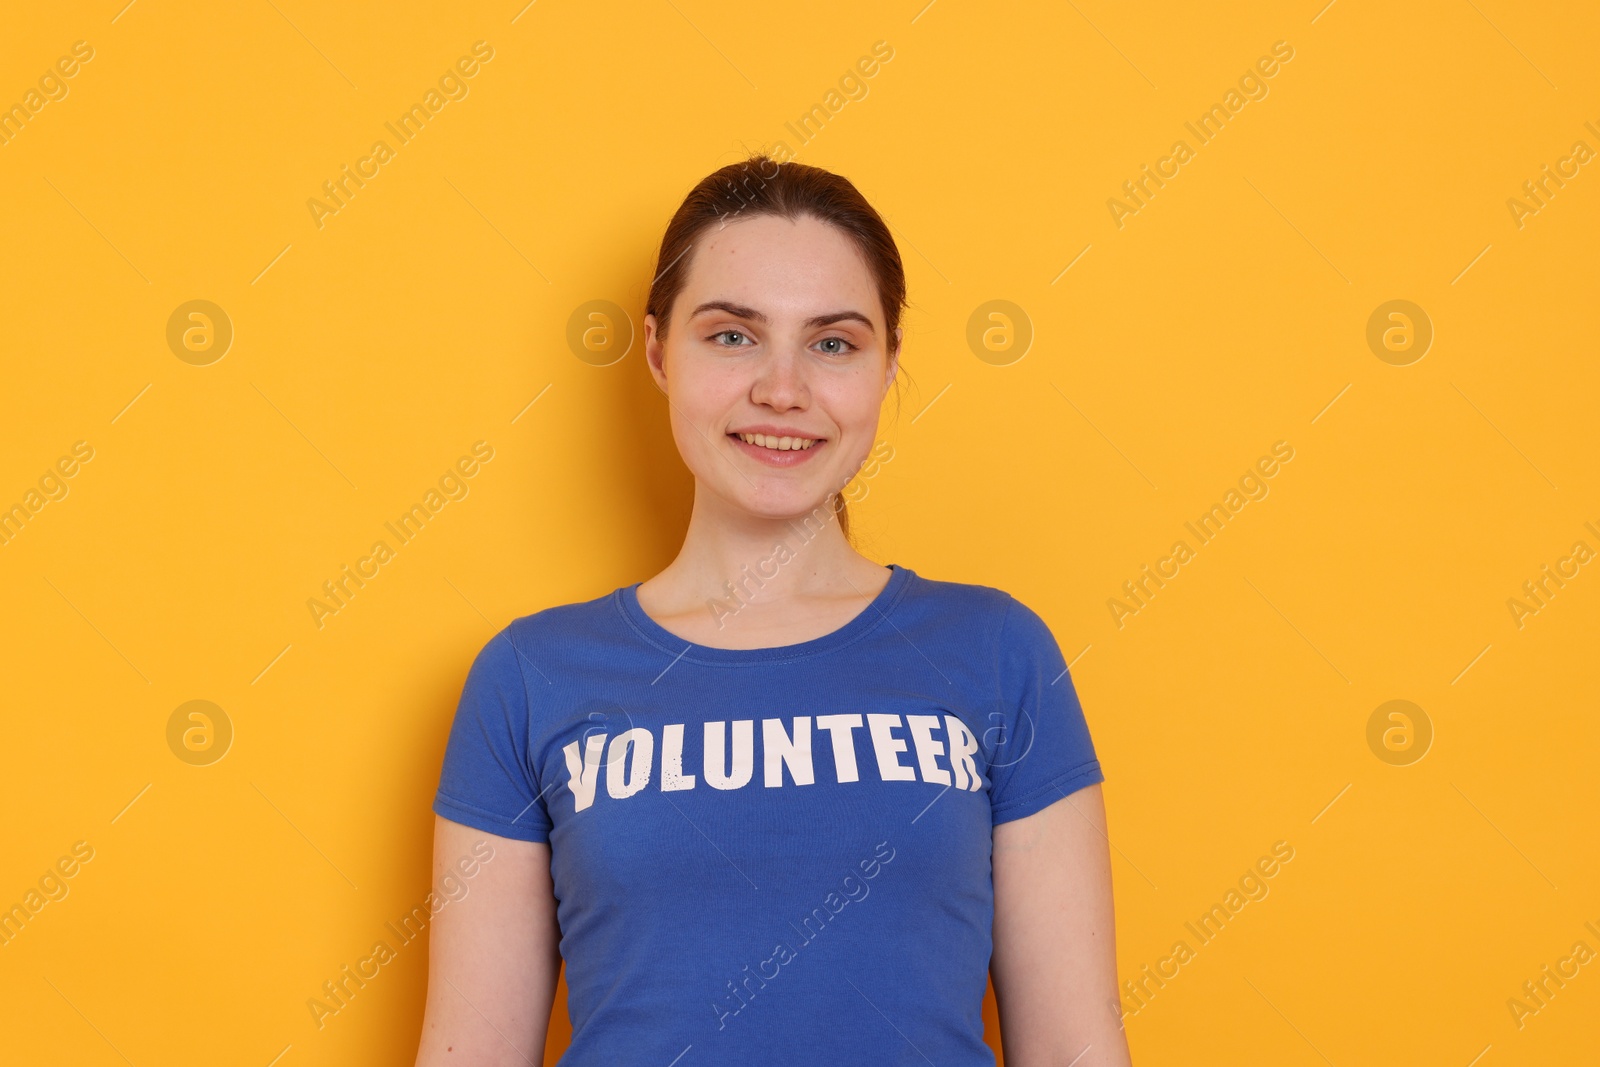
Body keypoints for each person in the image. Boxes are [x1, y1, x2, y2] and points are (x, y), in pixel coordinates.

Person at [413, 155, 1132, 1066]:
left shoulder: (997, 653)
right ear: (658, 351)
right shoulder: (530, 677)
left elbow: (1075, 1046)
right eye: (732, 336)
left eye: (833, 343)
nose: (782, 389)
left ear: (889, 365)